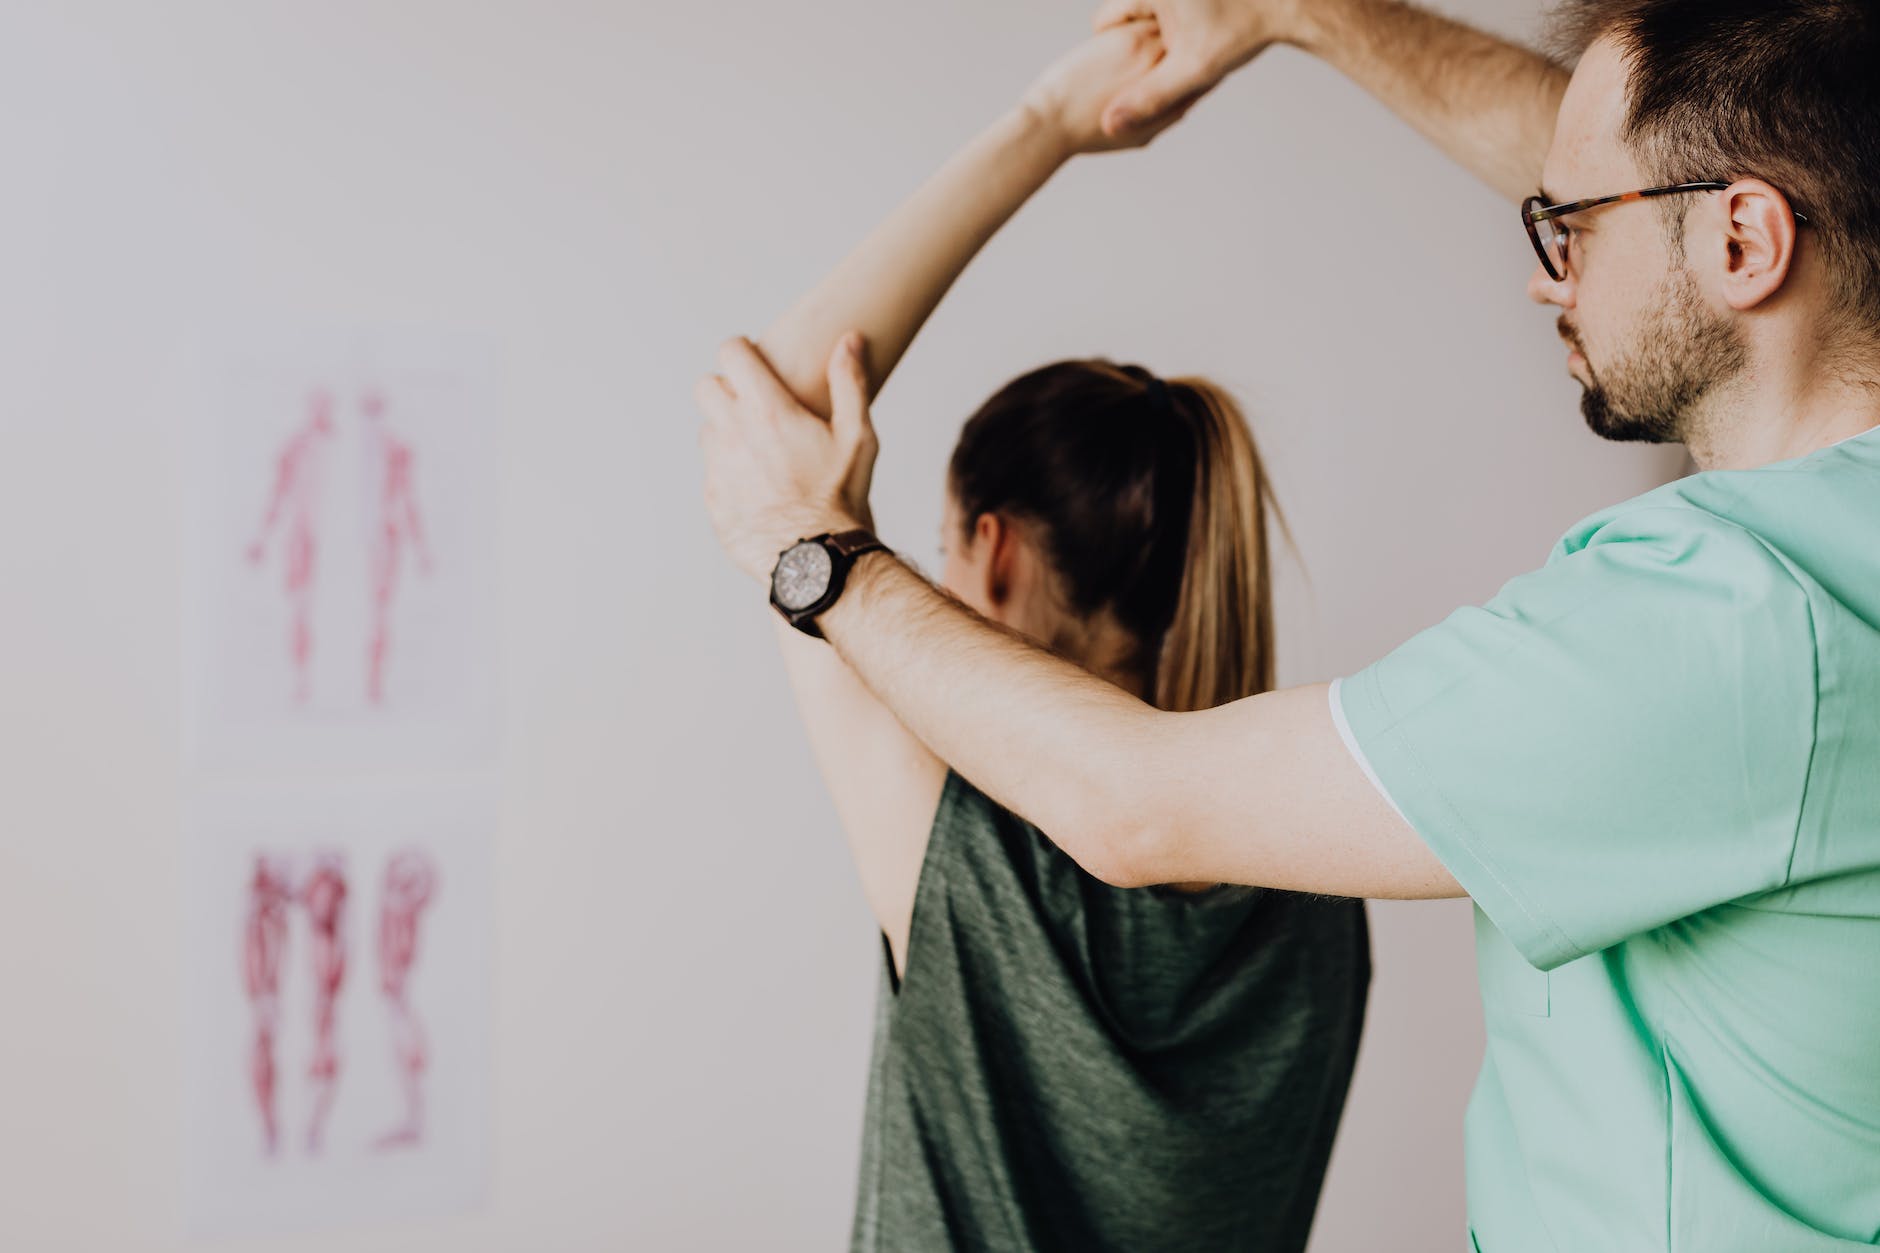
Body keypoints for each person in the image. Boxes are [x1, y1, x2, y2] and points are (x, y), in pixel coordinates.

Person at [695, 0, 1880, 1248]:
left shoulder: (1720, 617)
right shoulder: (1304, 899)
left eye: (1565, 225)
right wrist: (1292, 12)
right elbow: (1718, 164)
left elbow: (1126, 804)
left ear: (1747, 238)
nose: (1544, 269)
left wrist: (820, 559)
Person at [709, 23, 1369, 1253]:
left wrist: (1051, 124)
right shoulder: (1315, 872)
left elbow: (776, 398)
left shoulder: (966, 843)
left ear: (995, 553)